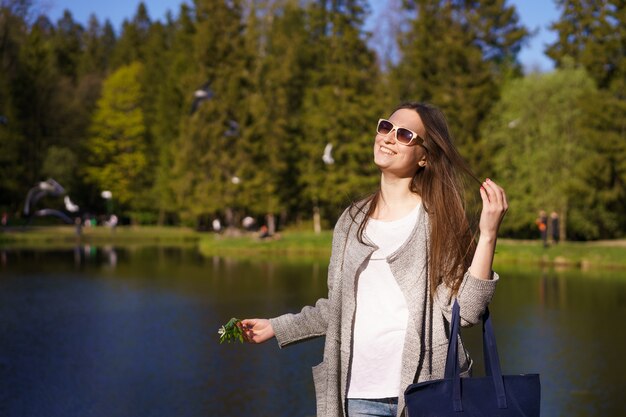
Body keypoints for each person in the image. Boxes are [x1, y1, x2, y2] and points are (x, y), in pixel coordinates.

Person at [239, 103, 508, 417]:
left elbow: (467, 311)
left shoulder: (439, 221)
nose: (389, 138)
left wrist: (488, 234)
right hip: (358, 396)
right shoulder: (350, 222)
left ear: (424, 156)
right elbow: (336, 307)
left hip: (426, 394)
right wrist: (277, 326)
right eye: (385, 127)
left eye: (405, 134)